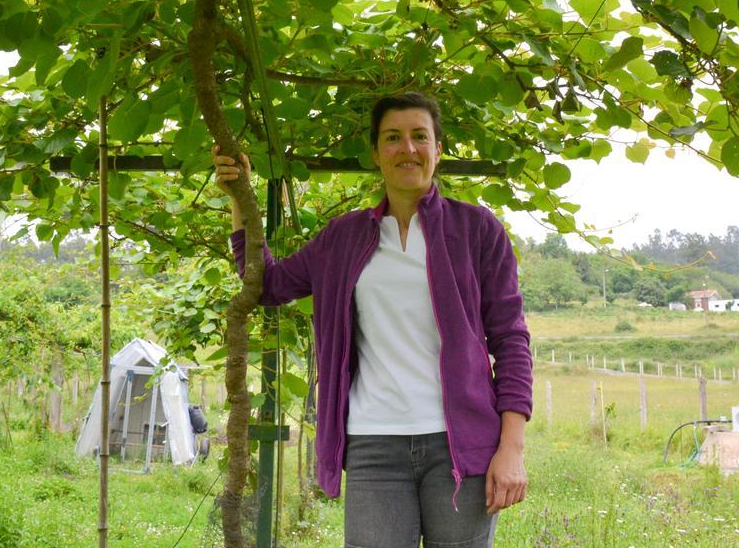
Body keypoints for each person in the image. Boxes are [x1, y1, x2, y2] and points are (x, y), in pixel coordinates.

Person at [214, 92, 532, 548]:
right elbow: (267, 285)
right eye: (393, 138)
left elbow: (511, 341)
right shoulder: (343, 238)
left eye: (420, 136)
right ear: (376, 154)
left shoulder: (477, 230)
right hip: (373, 445)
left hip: (461, 447)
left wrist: (511, 447)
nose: (408, 148)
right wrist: (239, 198)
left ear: (438, 149)